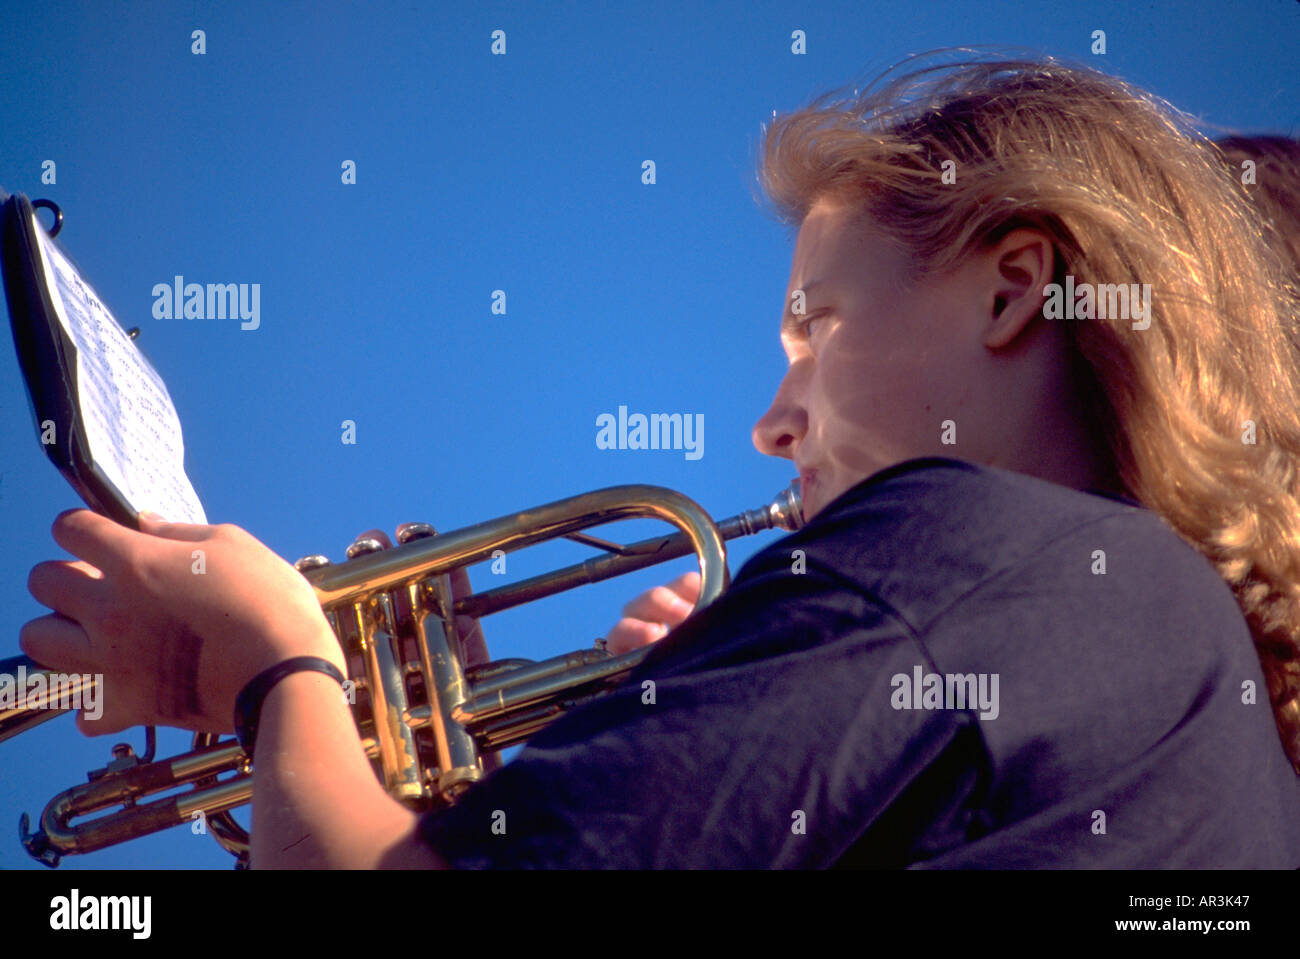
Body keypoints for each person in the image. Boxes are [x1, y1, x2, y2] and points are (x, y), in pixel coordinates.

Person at [20, 54, 1300, 868]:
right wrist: (616, 764)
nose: (773, 420)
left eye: (816, 326)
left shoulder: (980, 551)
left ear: (1013, 288)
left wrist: (276, 670)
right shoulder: (1190, 709)